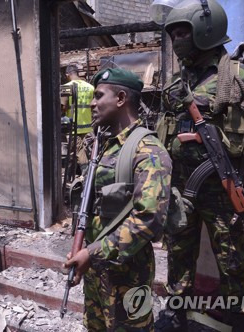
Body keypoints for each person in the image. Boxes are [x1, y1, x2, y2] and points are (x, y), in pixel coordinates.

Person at [155, 0, 244, 330]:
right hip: (181, 189)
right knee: (179, 252)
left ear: (205, 32)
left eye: (183, 32)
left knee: (234, 258)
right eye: (174, 34)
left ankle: (242, 316)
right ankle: (177, 308)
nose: (177, 40)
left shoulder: (238, 78)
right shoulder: (175, 83)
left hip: (224, 192)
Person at [64, 68, 172, 331]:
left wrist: (92, 252)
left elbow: (149, 220)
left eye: (99, 96)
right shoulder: (102, 147)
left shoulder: (147, 151)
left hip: (129, 276)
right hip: (96, 272)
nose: (91, 103)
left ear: (121, 98)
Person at [61, 65, 94, 174]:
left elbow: (63, 107)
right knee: (84, 151)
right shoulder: (90, 87)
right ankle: (73, 174)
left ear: (67, 75)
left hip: (73, 127)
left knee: (78, 152)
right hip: (88, 126)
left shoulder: (66, 87)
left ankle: (86, 175)